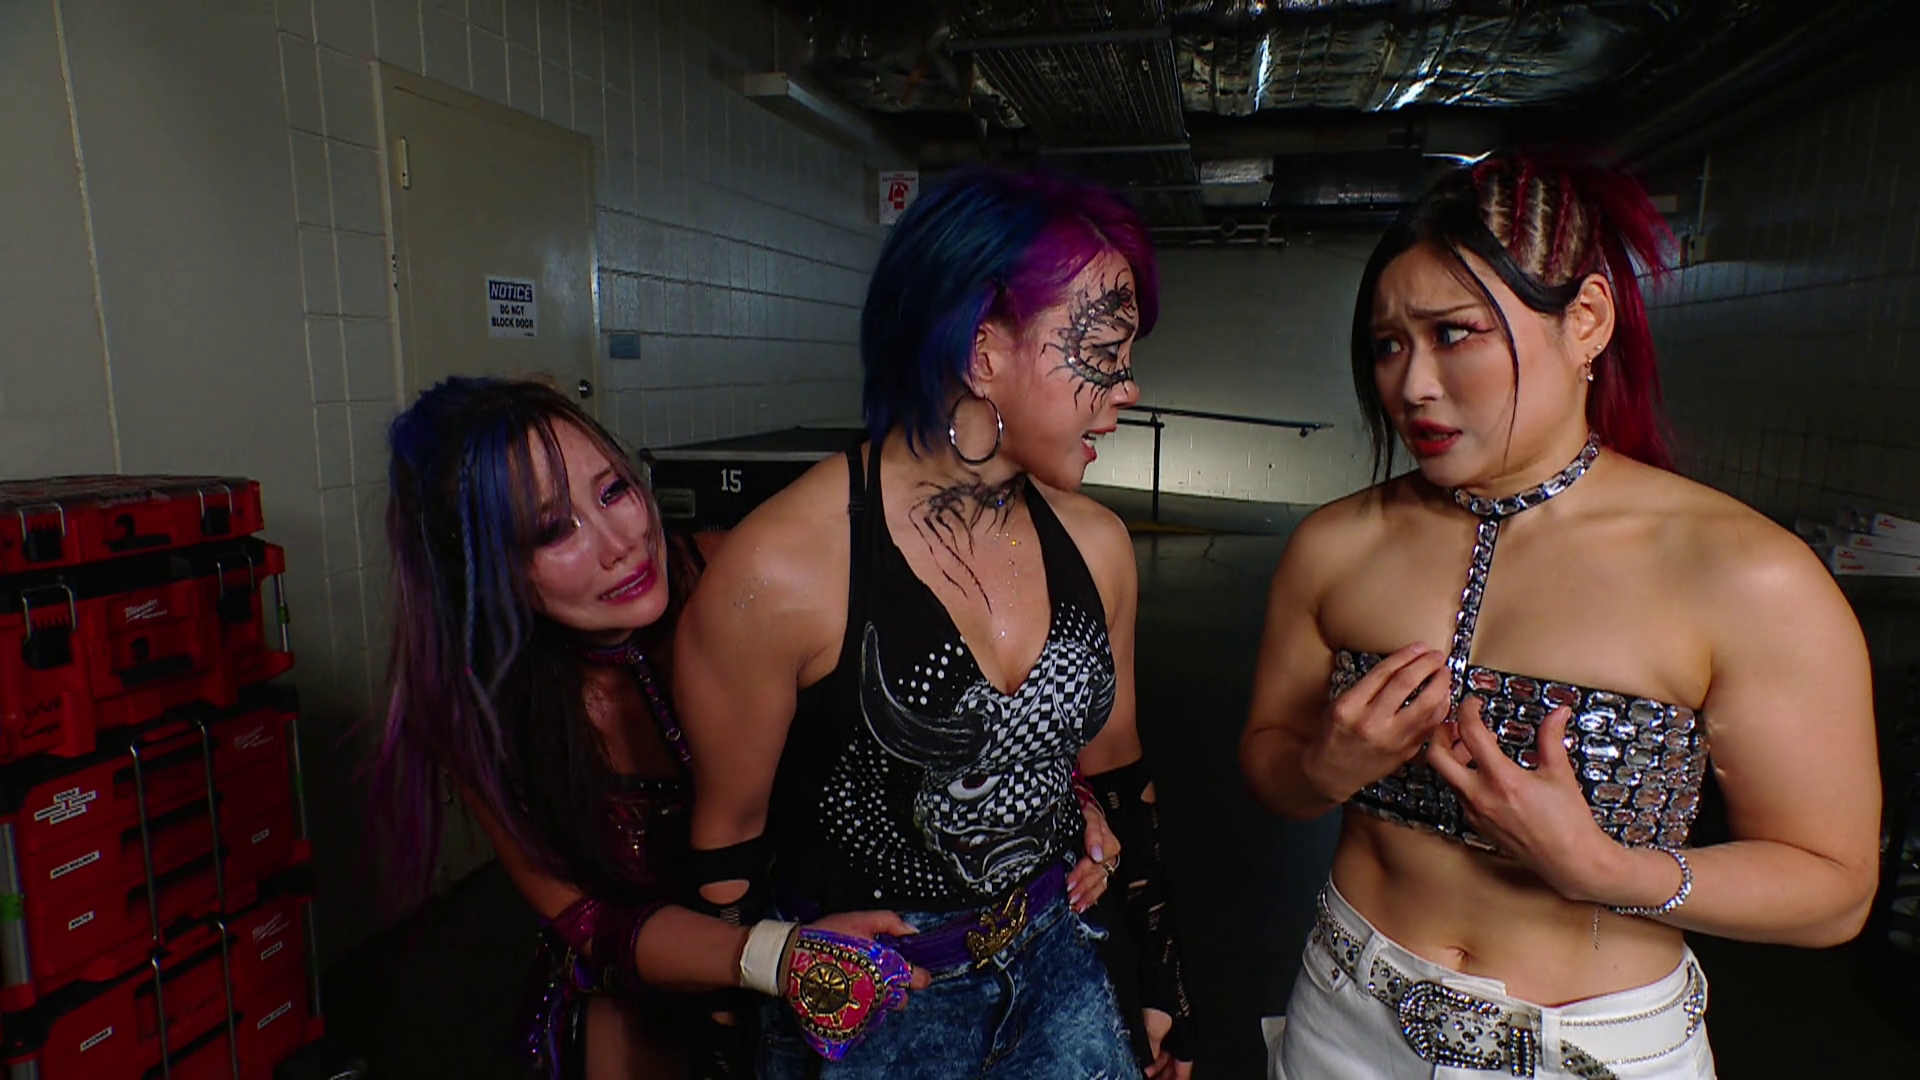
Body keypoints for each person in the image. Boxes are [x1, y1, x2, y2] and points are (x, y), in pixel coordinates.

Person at [1240, 155, 1881, 1079]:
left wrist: (1611, 874)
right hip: (1343, 1017)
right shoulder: (1334, 545)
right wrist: (1320, 770)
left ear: (1586, 321)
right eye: (1387, 345)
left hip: (1591, 1051)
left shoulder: (1745, 574)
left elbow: (1835, 892)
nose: (1412, 385)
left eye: (1453, 333)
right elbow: (1270, 761)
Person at [672, 167, 1198, 1079]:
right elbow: (726, 854)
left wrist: (1164, 983)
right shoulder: (780, 573)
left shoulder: (1097, 546)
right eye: (1104, 353)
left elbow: (1119, 772)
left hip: (1056, 968)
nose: (1127, 387)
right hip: (878, 1004)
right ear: (983, 351)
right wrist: (754, 1013)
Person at [372, 377, 1016, 1078]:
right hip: (649, 994)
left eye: (613, 491)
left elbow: (945, 684)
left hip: (857, 952)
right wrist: (778, 954)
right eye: (554, 530)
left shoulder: (747, 579)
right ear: (477, 571)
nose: (621, 543)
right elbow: (588, 922)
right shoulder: (479, 713)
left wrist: (1053, 795)